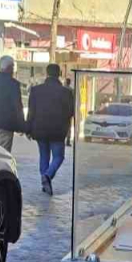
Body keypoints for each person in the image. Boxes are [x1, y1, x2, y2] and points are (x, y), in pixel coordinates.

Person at [26, 63, 74, 194]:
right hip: (58, 130)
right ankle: (48, 175)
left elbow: (31, 112)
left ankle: (44, 180)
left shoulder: (36, 90)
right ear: (59, 74)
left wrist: (28, 129)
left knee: (44, 156)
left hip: (39, 129)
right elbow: (71, 111)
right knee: (58, 156)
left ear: (47, 74)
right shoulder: (66, 92)